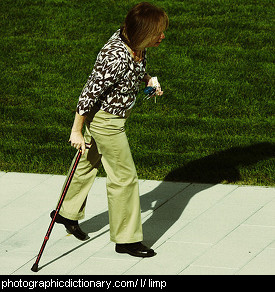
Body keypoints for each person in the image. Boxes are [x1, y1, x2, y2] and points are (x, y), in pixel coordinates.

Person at [51, 2, 169, 258]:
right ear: (143, 32)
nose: (162, 36)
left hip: (111, 117)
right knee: (125, 178)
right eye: (158, 32)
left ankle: (65, 213)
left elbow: (130, 72)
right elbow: (89, 94)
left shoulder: (135, 45)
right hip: (107, 123)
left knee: (87, 162)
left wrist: (147, 79)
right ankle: (126, 240)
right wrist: (76, 132)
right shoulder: (114, 56)